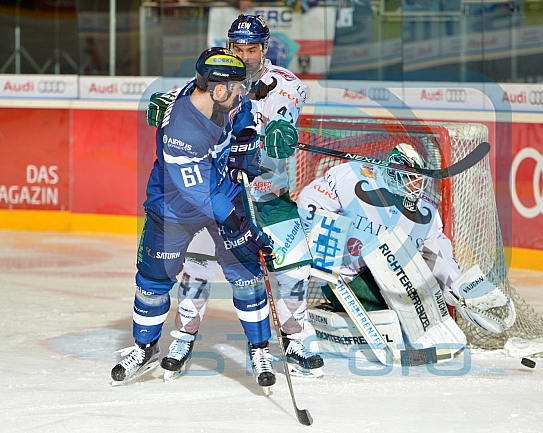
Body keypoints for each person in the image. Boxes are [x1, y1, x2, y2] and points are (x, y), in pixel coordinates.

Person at [146, 15, 323, 377]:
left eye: (252, 49)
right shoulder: (213, 78)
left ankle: (292, 339)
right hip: (221, 194)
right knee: (197, 264)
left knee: (295, 262)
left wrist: (279, 131)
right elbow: (184, 104)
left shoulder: (286, 85)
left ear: (265, 48)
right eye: (237, 49)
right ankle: (184, 335)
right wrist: (165, 103)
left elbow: (285, 115)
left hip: (266, 192)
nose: (245, 57)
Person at [111, 47, 276, 388]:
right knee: (154, 281)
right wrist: (242, 228)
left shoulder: (212, 92)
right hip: (175, 207)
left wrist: (246, 138)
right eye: (237, 87)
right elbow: (202, 196)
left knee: (247, 275)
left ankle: (260, 349)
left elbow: (243, 110)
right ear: (218, 89)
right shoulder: (181, 133)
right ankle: (144, 348)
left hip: (221, 193)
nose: (241, 92)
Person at [296, 143, 516, 348]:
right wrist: (324, 248)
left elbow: (436, 252)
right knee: (387, 318)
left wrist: (456, 285)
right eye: (410, 178)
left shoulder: (424, 211)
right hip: (343, 277)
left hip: (384, 272)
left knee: (412, 312)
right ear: (393, 172)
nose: (416, 186)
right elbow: (310, 199)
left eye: (419, 179)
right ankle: (332, 311)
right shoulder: (354, 177)